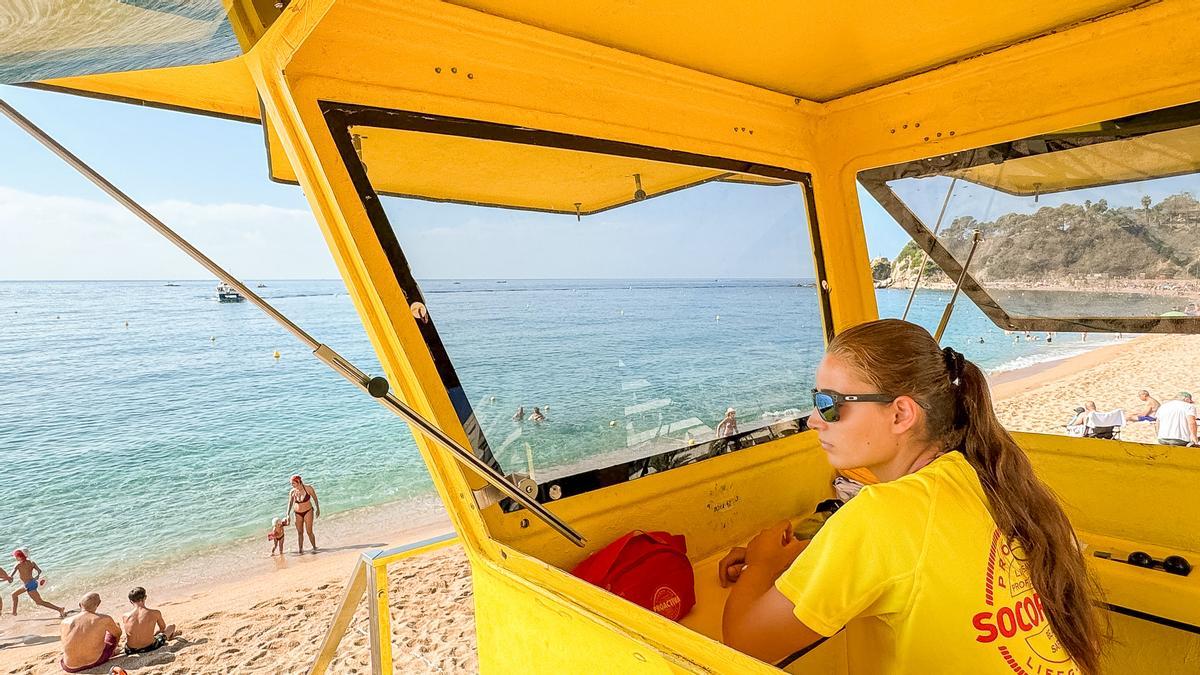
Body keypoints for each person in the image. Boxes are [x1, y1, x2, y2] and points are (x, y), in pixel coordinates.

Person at [720, 319, 1102, 673]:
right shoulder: (989, 477)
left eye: (830, 405)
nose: (813, 420)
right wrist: (799, 556)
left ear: (901, 414)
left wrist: (762, 563)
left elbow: (746, 642)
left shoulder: (881, 514)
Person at [60, 593, 121, 673]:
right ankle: (112, 652)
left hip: (69, 667)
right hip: (96, 661)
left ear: (79, 605)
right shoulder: (104, 618)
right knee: (115, 628)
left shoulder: (64, 622)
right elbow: (117, 634)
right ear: (98, 604)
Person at [122, 587, 179, 655]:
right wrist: (154, 634)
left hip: (130, 650)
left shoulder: (125, 616)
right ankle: (170, 637)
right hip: (149, 647)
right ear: (145, 597)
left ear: (131, 601)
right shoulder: (155, 613)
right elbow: (163, 628)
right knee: (171, 626)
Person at [9, 548, 65, 617]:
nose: (15, 558)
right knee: (14, 594)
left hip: (29, 585)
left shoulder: (18, 565)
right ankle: (14, 612)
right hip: (32, 583)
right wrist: (37, 576)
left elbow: (11, 576)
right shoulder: (32, 563)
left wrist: (9, 578)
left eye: (16, 556)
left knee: (40, 602)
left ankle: (59, 609)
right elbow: (39, 571)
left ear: (20, 556)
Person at [286, 475, 320, 553]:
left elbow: (315, 498)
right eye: (292, 484)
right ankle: (300, 550)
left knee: (309, 531)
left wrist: (318, 509)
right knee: (300, 532)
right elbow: (290, 503)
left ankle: (314, 548)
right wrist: (287, 514)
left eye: (293, 483)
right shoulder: (292, 492)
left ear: (298, 482)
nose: (292, 485)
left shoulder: (308, 488)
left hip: (308, 511)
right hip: (297, 513)